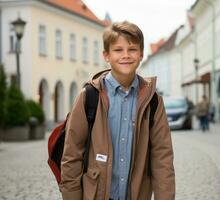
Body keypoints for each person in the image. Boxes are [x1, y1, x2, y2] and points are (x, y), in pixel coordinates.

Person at [59, 21, 175, 200]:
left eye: (132, 49)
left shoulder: (153, 101)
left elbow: (163, 159)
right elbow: (72, 156)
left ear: (141, 54)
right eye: (118, 50)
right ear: (106, 55)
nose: (126, 55)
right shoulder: (89, 97)